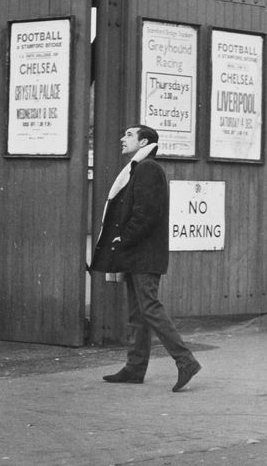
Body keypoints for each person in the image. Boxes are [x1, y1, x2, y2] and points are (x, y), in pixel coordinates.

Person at [90, 124, 202, 392]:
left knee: (149, 308)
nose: (122, 138)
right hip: (138, 253)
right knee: (138, 314)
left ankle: (186, 361)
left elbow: (146, 213)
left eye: (128, 134)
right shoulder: (138, 169)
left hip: (144, 253)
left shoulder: (147, 169)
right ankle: (134, 368)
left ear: (144, 142)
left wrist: (123, 238)